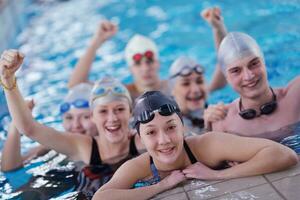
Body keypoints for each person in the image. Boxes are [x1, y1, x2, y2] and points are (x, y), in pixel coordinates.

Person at [92, 91, 298, 200]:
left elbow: (284, 155)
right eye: (151, 132)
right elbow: (101, 198)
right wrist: (162, 186)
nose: (164, 140)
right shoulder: (138, 166)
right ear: (140, 139)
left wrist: (217, 175)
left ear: (182, 127)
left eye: (171, 127)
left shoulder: (207, 145)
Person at [0, 49, 144, 197]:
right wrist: (9, 79)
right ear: (93, 116)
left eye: (120, 109)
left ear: (131, 113)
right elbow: (29, 128)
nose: (112, 118)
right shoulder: (81, 146)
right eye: (103, 111)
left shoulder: (142, 140)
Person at [68, 7, 227, 101]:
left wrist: (218, 29)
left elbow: (218, 82)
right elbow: (77, 87)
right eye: (138, 63)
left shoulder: (175, 86)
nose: (145, 67)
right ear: (130, 68)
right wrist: (97, 41)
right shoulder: (121, 93)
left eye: (150, 61)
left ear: (158, 63)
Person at [208, 32, 300, 143]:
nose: (248, 76)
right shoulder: (223, 123)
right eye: (236, 71)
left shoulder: (296, 95)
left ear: (264, 63)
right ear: (226, 77)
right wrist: (207, 127)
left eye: (254, 64)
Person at [1, 83, 98, 172]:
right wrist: (15, 125)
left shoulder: (105, 149)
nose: (76, 125)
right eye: (69, 117)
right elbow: (10, 168)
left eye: (85, 117)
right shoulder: (55, 143)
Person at [168, 7, 228, 134]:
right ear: (173, 91)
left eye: (200, 81)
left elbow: (225, 64)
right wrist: (209, 126)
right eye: (185, 83)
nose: (195, 90)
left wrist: (218, 28)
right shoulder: (170, 122)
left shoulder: (207, 95)